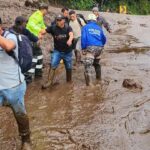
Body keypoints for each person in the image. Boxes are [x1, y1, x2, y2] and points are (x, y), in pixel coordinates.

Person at [0, 17, 31, 150]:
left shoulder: (10, 36)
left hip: (13, 86)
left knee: (20, 113)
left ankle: (26, 140)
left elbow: (8, 46)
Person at [42, 14, 74, 89]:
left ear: (63, 20)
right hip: (57, 51)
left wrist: (69, 40)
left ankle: (69, 81)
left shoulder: (68, 27)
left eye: (59, 20)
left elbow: (71, 34)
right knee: (53, 64)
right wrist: (40, 35)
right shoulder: (53, 27)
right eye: (57, 20)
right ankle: (49, 82)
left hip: (67, 52)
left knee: (68, 67)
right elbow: (44, 31)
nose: (58, 21)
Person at [12, 16, 39, 84]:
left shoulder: (10, 29)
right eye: (25, 23)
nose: (26, 24)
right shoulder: (24, 30)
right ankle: (27, 80)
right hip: (22, 54)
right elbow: (35, 38)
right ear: (22, 23)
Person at [81, 14, 106, 86]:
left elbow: (83, 38)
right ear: (95, 20)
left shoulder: (85, 27)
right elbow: (104, 39)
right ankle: (99, 80)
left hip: (90, 49)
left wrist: (83, 48)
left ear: (88, 20)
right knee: (97, 64)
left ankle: (89, 86)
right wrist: (101, 45)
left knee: (87, 67)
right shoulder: (99, 28)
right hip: (99, 48)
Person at [26, 3, 48, 78]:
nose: (47, 12)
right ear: (44, 10)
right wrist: (40, 31)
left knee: (39, 55)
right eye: (46, 11)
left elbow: (42, 25)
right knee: (35, 56)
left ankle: (38, 74)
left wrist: (46, 29)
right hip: (32, 39)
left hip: (36, 39)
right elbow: (30, 25)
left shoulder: (40, 16)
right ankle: (29, 76)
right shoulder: (36, 15)